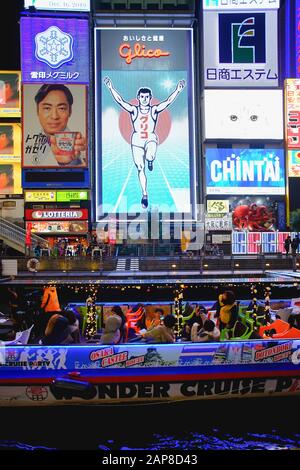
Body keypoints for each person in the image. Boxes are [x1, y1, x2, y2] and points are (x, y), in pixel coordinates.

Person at [104, 77, 186, 209]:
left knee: (150, 156)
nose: (144, 99)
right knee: (140, 168)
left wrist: (178, 90)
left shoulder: (154, 110)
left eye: (147, 97)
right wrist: (111, 88)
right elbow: (120, 101)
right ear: (138, 97)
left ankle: (150, 160)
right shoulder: (134, 110)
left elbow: (167, 102)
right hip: (136, 141)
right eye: (142, 97)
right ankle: (144, 194)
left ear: (150, 98)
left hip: (150, 138)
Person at [32, 84, 86, 166]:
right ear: (37, 110)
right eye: (47, 108)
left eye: (61, 108)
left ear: (70, 111)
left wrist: (70, 162)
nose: (54, 116)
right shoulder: (32, 141)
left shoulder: (81, 146)